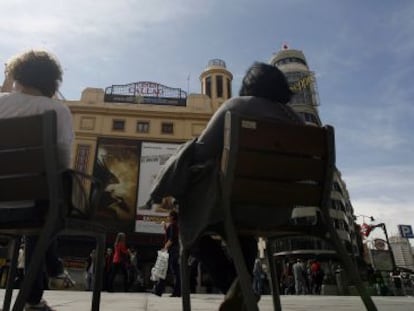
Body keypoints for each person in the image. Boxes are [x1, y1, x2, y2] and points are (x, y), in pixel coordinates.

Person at [150, 62, 303, 310]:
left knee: (192, 230)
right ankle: (240, 289)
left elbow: (200, 152)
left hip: (236, 205)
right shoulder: (296, 120)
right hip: (279, 211)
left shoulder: (236, 107)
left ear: (248, 85)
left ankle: (236, 284)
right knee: (243, 229)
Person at [0, 50, 75, 311]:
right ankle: (34, 296)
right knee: (49, 202)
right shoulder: (57, 110)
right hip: (36, 208)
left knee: (45, 203)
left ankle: (51, 271)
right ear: (52, 81)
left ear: (17, 73)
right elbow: (64, 164)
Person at [153, 209, 181, 297]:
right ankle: (175, 291)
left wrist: (165, 248)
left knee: (165, 270)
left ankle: (159, 290)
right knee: (172, 271)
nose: (167, 217)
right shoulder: (175, 225)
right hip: (175, 250)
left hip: (172, 250)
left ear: (172, 217)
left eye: (169, 216)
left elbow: (171, 239)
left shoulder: (173, 225)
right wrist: (166, 228)